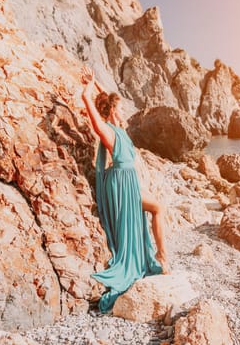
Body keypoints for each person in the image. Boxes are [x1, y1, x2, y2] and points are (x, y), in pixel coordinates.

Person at [80, 67, 169, 313]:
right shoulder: (108, 132)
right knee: (157, 208)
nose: (124, 111)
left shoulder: (121, 130)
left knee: (157, 208)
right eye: (120, 109)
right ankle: (162, 258)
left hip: (129, 184)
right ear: (112, 112)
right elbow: (89, 104)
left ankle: (162, 257)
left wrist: (96, 82)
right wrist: (88, 90)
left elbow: (109, 97)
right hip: (120, 189)